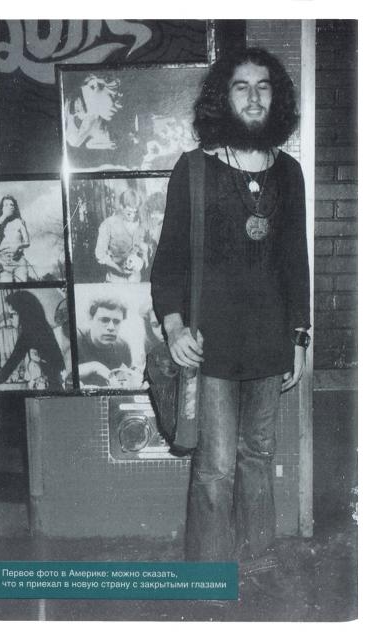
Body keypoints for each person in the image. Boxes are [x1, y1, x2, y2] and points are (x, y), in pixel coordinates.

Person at [151, 48, 311, 589]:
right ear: (225, 96)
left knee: (257, 457)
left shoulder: (289, 172)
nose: (253, 96)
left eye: (263, 86)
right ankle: (209, 575)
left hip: (268, 343)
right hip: (209, 345)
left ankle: (258, 565)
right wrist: (174, 326)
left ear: (276, 97)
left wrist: (299, 336)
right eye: (241, 86)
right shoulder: (194, 169)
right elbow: (169, 258)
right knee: (215, 466)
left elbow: (294, 262)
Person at [0, 291, 65, 390]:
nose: (9, 319)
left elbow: (6, 371)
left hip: (48, 388)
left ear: (23, 313)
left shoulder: (29, 334)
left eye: (12, 315)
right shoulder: (43, 328)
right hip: (53, 385)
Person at [95, 189, 149, 283]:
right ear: (121, 206)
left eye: (135, 212)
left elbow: (144, 252)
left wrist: (143, 258)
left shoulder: (140, 225)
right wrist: (119, 269)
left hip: (136, 281)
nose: (132, 216)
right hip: (115, 280)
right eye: (129, 212)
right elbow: (100, 255)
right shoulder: (108, 224)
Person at [77, 299, 132, 387]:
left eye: (116, 322)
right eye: (104, 320)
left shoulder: (123, 346)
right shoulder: (76, 339)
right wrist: (95, 367)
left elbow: (125, 380)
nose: (111, 327)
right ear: (90, 319)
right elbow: (64, 374)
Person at [0, 195, 30, 282]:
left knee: (22, 287)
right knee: (7, 286)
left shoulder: (20, 222)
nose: (10, 206)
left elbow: (27, 242)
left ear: (14, 208)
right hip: (4, 261)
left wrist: (19, 246)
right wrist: (4, 216)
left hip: (19, 260)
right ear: (2, 208)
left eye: (12, 205)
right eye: (6, 205)